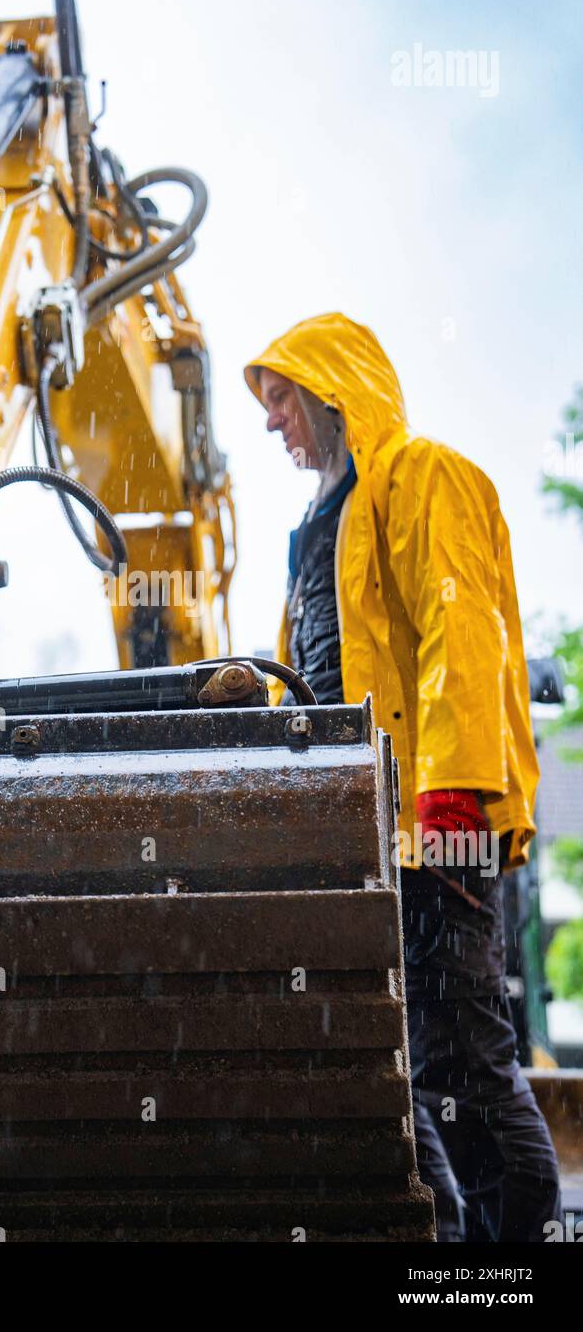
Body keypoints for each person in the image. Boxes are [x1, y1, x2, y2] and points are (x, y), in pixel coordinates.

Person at [244, 311, 561, 1242]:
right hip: (366, 836)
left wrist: (452, 795)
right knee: (403, 1072)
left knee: (467, 1062)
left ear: (334, 393)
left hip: (439, 819)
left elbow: (462, 629)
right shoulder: (316, 529)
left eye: (282, 398)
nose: (270, 424)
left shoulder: (423, 478)